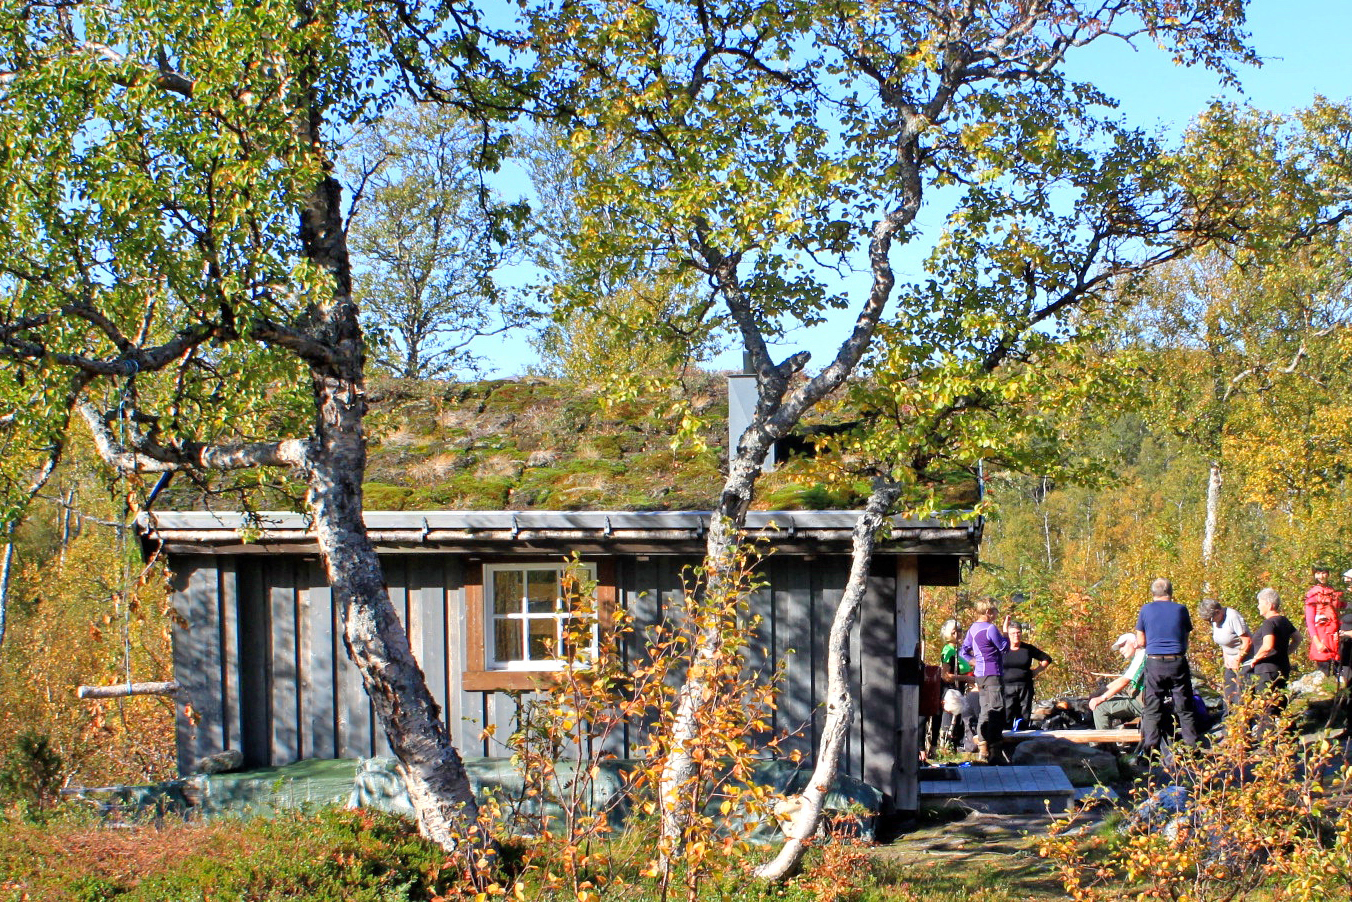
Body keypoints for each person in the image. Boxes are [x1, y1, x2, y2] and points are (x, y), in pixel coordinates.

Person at [1135, 578, 1202, 754]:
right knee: (1184, 706)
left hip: (1155, 661)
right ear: (1171, 592)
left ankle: (1151, 751)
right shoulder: (1181, 609)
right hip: (1177, 660)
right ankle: (1192, 748)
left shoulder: (1145, 610)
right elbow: (1185, 638)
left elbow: (1141, 641)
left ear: (1153, 593)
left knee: (1152, 707)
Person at [959, 598, 1009, 763]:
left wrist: (975, 661)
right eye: (995, 611)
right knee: (997, 709)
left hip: (980, 675)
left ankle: (983, 748)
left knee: (985, 710)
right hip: (993, 673)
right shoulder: (990, 629)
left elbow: (963, 652)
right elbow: (1004, 648)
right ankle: (995, 752)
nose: (996, 614)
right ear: (988, 612)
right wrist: (1006, 632)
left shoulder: (972, 629)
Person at [1250, 588, 1300, 728]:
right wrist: (1285, 652)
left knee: (1266, 706)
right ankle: (1286, 738)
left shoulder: (1269, 623)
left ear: (1270, 605)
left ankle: (1267, 741)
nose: (1258, 606)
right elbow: (1298, 638)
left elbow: (1268, 646)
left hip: (1267, 669)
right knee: (1280, 703)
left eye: (1260, 603)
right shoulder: (1283, 620)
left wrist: (1255, 659)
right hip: (1282, 667)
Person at [1197, 597, 1252, 714]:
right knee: (1229, 697)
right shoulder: (1215, 621)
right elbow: (1223, 641)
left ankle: (1244, 728)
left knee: (1241, 698)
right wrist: (1226, 657)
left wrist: (1238, 659)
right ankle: (1228, 728)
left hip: (1244, 662)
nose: (1210, 622)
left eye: (1210, 619)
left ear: (1218, 612)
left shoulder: (1232, 617)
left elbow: (1247, 641)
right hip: (1230, 662)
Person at [1088, 632, 1146, 730]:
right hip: (1144, 700)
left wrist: (1101, 698)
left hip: (1143, 702)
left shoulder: (1141, 655)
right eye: (1119, 648)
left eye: (1123, 645)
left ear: (1135, 643)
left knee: (1100, 708)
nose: (1121, 650)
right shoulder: (1140, 657)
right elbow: (1121, 679)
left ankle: (1102, 744)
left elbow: (1124, 681)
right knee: (1108, 702)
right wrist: (1099, 693)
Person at [1001, 621, 1052, 730]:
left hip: (1025, 686)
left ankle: (1022, 740)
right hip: (1007, 687)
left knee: (1024, 715)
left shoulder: (1027, 648)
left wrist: (1037, 671)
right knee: (1006, 714)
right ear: (1008, 635)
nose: (1016, 635)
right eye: (1013, 633)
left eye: (1018, 633)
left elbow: (1047, 659)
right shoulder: (1002, 649)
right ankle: (1006, 742)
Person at [938, 618, 975, 751]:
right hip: (950, 689)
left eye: (959, 631)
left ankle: (956, 745)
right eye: (954, 632)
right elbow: (945, 675)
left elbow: (969, 664)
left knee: (960, 717)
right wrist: (966, 678)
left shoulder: (961, 650)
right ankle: (945, 746)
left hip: (961, 687)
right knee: (950, 715)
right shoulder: (948, 651)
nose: (958, 634)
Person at [1302, 563, 1343, 677]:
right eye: (1318, 573)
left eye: (1324, 572)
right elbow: (1310, 621)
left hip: (1335, 637)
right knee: (1324, 674)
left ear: (1328, 574)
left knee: (1339, 674)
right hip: (1321, 637)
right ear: (1314, 575)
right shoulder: (1313, 594)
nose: (1322, 576)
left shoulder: (1336, 592)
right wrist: (1317, 642)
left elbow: (1343, 610)